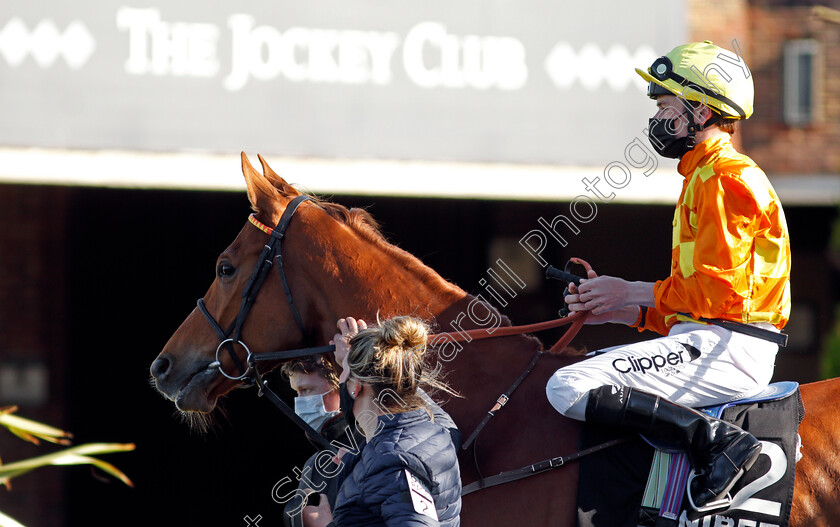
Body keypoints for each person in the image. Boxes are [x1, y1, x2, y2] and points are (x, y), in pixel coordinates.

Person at [545, 41, 791, 512]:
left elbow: (719, 298)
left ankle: (724, 445)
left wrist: (632, 290)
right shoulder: (702, 176)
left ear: (699, 111)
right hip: (715, 339)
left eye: (664, 107)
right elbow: (695, 309)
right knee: (577, 372)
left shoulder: (724, 178)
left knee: (567, 387)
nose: (656, 120)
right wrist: (625, 310)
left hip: (732, 349)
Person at [302, 316, 462, 527]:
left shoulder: (390, 462)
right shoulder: (435, 431)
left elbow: (393, 472)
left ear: (355, 387)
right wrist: (359, 461)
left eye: (344, 373)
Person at [280, 355, 361, 527]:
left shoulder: (370, 443)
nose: (300, 402)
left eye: (307, 390)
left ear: (337, 389)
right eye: (296, 392)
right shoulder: (312, 465)